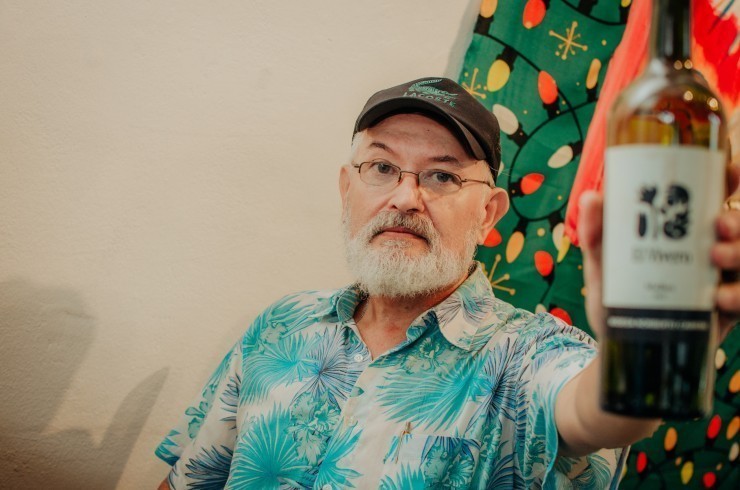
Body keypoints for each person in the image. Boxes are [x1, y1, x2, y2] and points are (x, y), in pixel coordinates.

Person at [155, 77, 740, 489]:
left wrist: (647, 349)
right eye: (382, 167)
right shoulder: (281, 325)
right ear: (346, 188)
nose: (405, 197)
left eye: (442, 176)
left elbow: (597, 414)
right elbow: (187, 479)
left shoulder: (528, 357)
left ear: (488, 214)